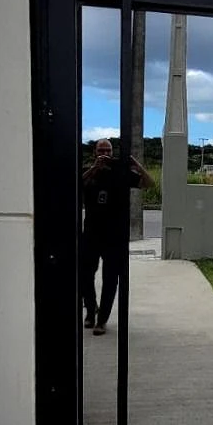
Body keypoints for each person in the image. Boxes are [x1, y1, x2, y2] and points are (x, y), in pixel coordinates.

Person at [81, 138, 153, 335]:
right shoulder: (90, 171)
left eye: (108, 150)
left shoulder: (120, 172)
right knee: (85, 274)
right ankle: (90, 310)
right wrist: (94, 169)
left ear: (113, 152)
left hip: (114, 235)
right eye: (100, 150)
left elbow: (149, 183)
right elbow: (75, 187)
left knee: (110, 278)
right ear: (94, 152)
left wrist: (138, 167)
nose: (104, 153)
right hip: (91, 233)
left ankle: (101, 320)